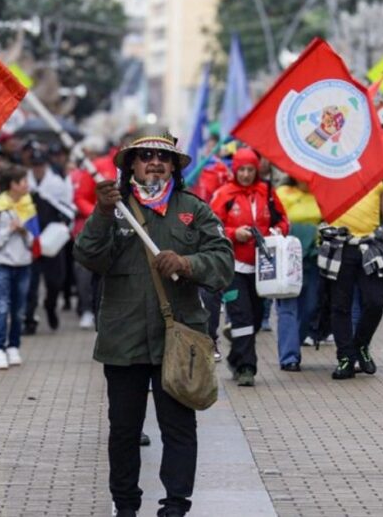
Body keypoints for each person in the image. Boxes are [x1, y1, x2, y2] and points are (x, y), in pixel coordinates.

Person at [74, 131, 233, 517]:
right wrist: (101, 213)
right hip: (123, 338)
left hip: (178, 339)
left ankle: (175, 507)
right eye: (145, 156)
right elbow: (88, 256)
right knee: (124, 431)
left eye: (163, 157)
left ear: (175, 166)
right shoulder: (116, 208)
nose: (154, 163)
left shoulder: (193, 210)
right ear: (130, 165)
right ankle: (126, 506)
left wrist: (187, 263)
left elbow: (223, 263)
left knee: (178, 429)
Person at [210, 148, 288, 386]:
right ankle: (247, 367)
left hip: (262, 269)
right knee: (242, 317)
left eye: (250, 170)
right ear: (235, 169)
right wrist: (235, 234)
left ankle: (235, 357)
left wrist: (275, 232)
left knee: (254, 318)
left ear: (256, 170)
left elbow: (283, 220)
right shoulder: (224, 194)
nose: (245, 174)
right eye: (241, 169)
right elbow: (212, 227)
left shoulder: (267, 193)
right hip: (234, 268)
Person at [318, 179, 383, 380]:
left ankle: (360, 345)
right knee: (340, 306)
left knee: (376, 302)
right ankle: (345, 358)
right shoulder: (333, 171)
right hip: (339, 245)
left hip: (370, 244)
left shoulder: (380, 176)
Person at [0, 166, 37, 370]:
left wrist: (23, 232)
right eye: (22, 182)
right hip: (1, 265)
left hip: (23, 265)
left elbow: (34, 241)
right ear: (12, 185)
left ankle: (14, 346)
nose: (26, 185)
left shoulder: (28, 207)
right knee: (2, 307)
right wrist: (8, 230)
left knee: (18, 309)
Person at [273, 178, 322, 371]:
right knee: (287, 307)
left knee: (310, 306)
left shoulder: (321, 194)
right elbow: (275, 220)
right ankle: (289, 356)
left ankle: (297, 341)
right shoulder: (283, 192)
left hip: (312, 257)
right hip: (287, 257)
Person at [25, 148, 75, 332]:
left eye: (41, 165)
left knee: (55, 281)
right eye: (34, 165)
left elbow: (67, 208)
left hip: (52, 241)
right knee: (30, 283)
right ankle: (29, 318)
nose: (38, 169)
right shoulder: (24, 183)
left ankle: (50, 306)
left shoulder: (57, 183)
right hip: (31, 240)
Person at [70, 137, 117, 329]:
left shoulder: (138, 169)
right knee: (85, 274)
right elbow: (80, 197)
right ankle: (86, 309)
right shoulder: (97, 167)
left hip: (122, 235)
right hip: (93, 228)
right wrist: (99, 214)